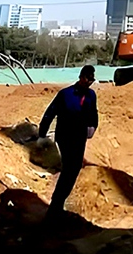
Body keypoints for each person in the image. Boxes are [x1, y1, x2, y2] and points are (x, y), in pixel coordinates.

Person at [38, 64, 99, 220]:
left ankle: (58, 203)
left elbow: (93, 114)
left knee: (74, 169)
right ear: (81, 77)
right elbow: (50, 112)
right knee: (69, 168)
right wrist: (42, 132)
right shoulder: (65, 94)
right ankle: (55, 205)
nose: (90, 82)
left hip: (79, 137)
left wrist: (93, 126)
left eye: (92, 79)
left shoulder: (91, 95)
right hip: (65, 136)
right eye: (88, 79)